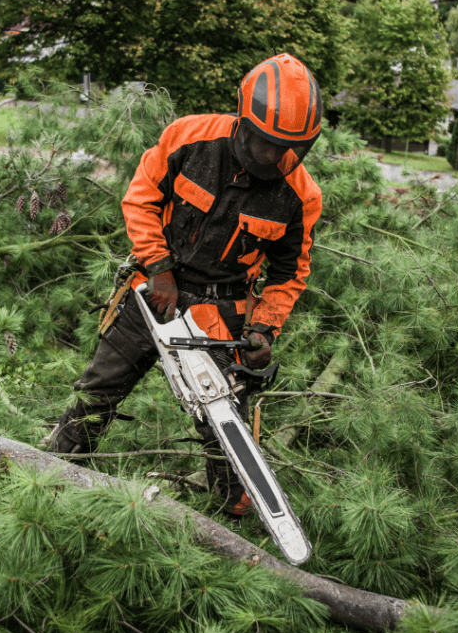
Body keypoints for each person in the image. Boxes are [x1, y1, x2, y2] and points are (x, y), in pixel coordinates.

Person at [46, 53, 323, 516]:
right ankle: (55, 469)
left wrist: (264, 330)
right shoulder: (189, 139)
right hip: (157, 293)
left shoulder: (299, 193)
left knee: (223, 423)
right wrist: (159, 266)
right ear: (245, 123)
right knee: (100, 389)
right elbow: (141, 198)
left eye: (291, 148)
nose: (278, 158)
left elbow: (290, 273)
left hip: (223, 310)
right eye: (269, 145)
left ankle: (232, 511)